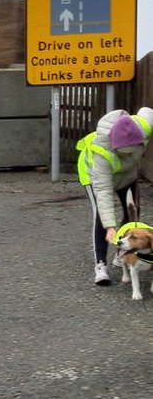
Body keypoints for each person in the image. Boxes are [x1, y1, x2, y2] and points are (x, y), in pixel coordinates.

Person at [77, 108, 153, 285]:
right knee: (101, 217)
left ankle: (122, 254)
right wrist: (110, 227)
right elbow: (103, 191)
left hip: (127, 175)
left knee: (133, 212)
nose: (129, 155)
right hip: (95, 176)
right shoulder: (101, 152)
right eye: (124, 152)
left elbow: (147, 111)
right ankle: (100, 265)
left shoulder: (143, 126)